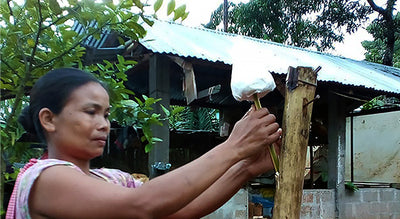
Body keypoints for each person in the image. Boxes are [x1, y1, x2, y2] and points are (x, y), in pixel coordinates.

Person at [6, 67, 282, 219]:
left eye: (105, 114)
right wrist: (232, 148)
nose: (103, 124)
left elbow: (177, 210)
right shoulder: (44, 178)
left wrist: (245, 167)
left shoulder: (111, 179)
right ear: (49, 119)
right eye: (90, 112)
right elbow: (142, 205)